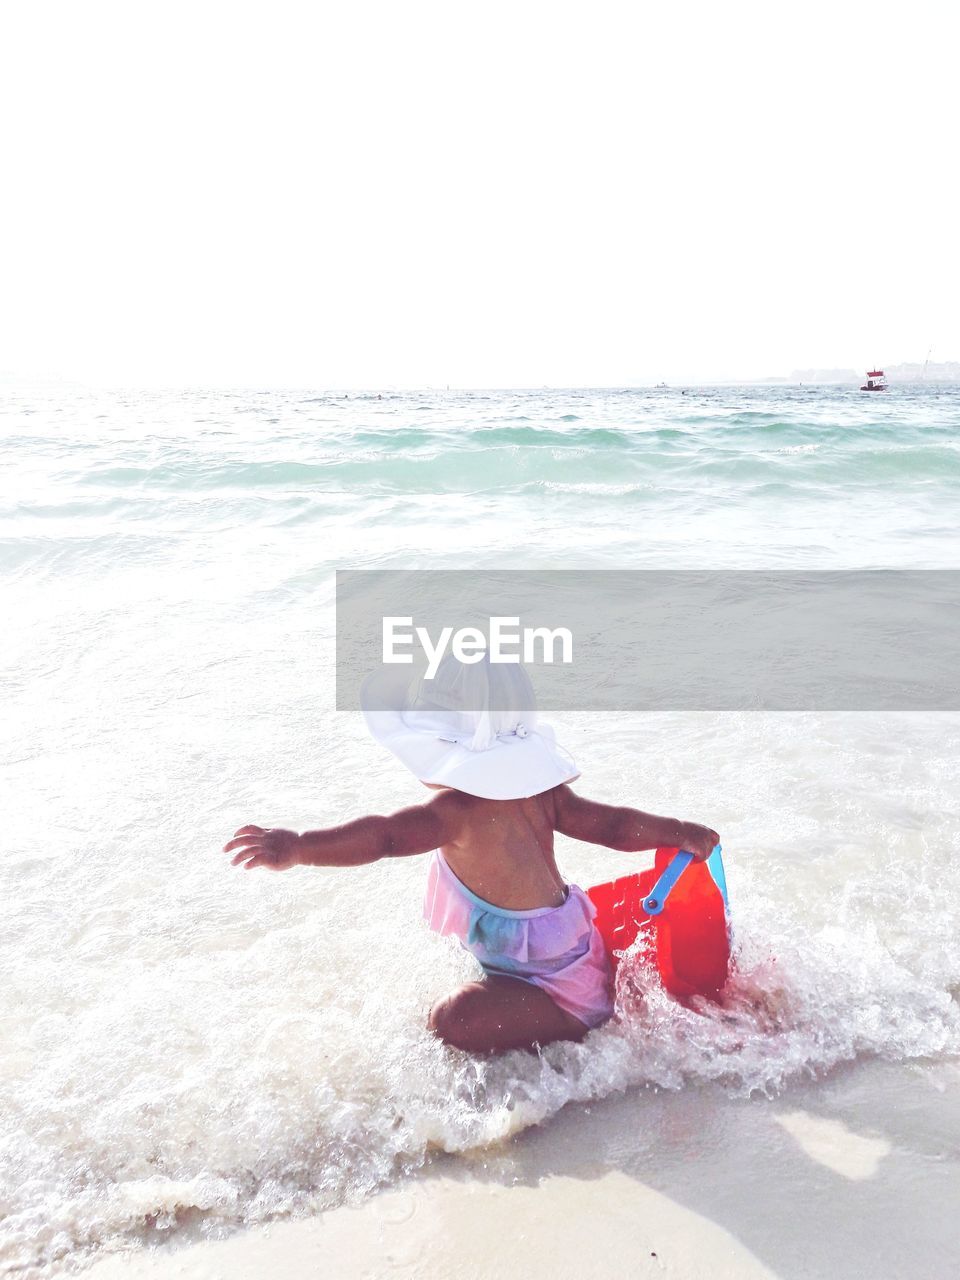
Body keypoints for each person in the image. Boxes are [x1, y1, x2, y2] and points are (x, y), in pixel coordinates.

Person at [222, 656, 718, 1055]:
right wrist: (678, 831)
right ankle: (587, 994)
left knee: (451, 1019)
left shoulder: (452, 813)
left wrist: (301, 847)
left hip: (561, 994)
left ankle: (579, 1029)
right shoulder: (541, 792)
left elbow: (382, 838)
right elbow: (611, 825)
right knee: (463, 1009)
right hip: (567, 950)